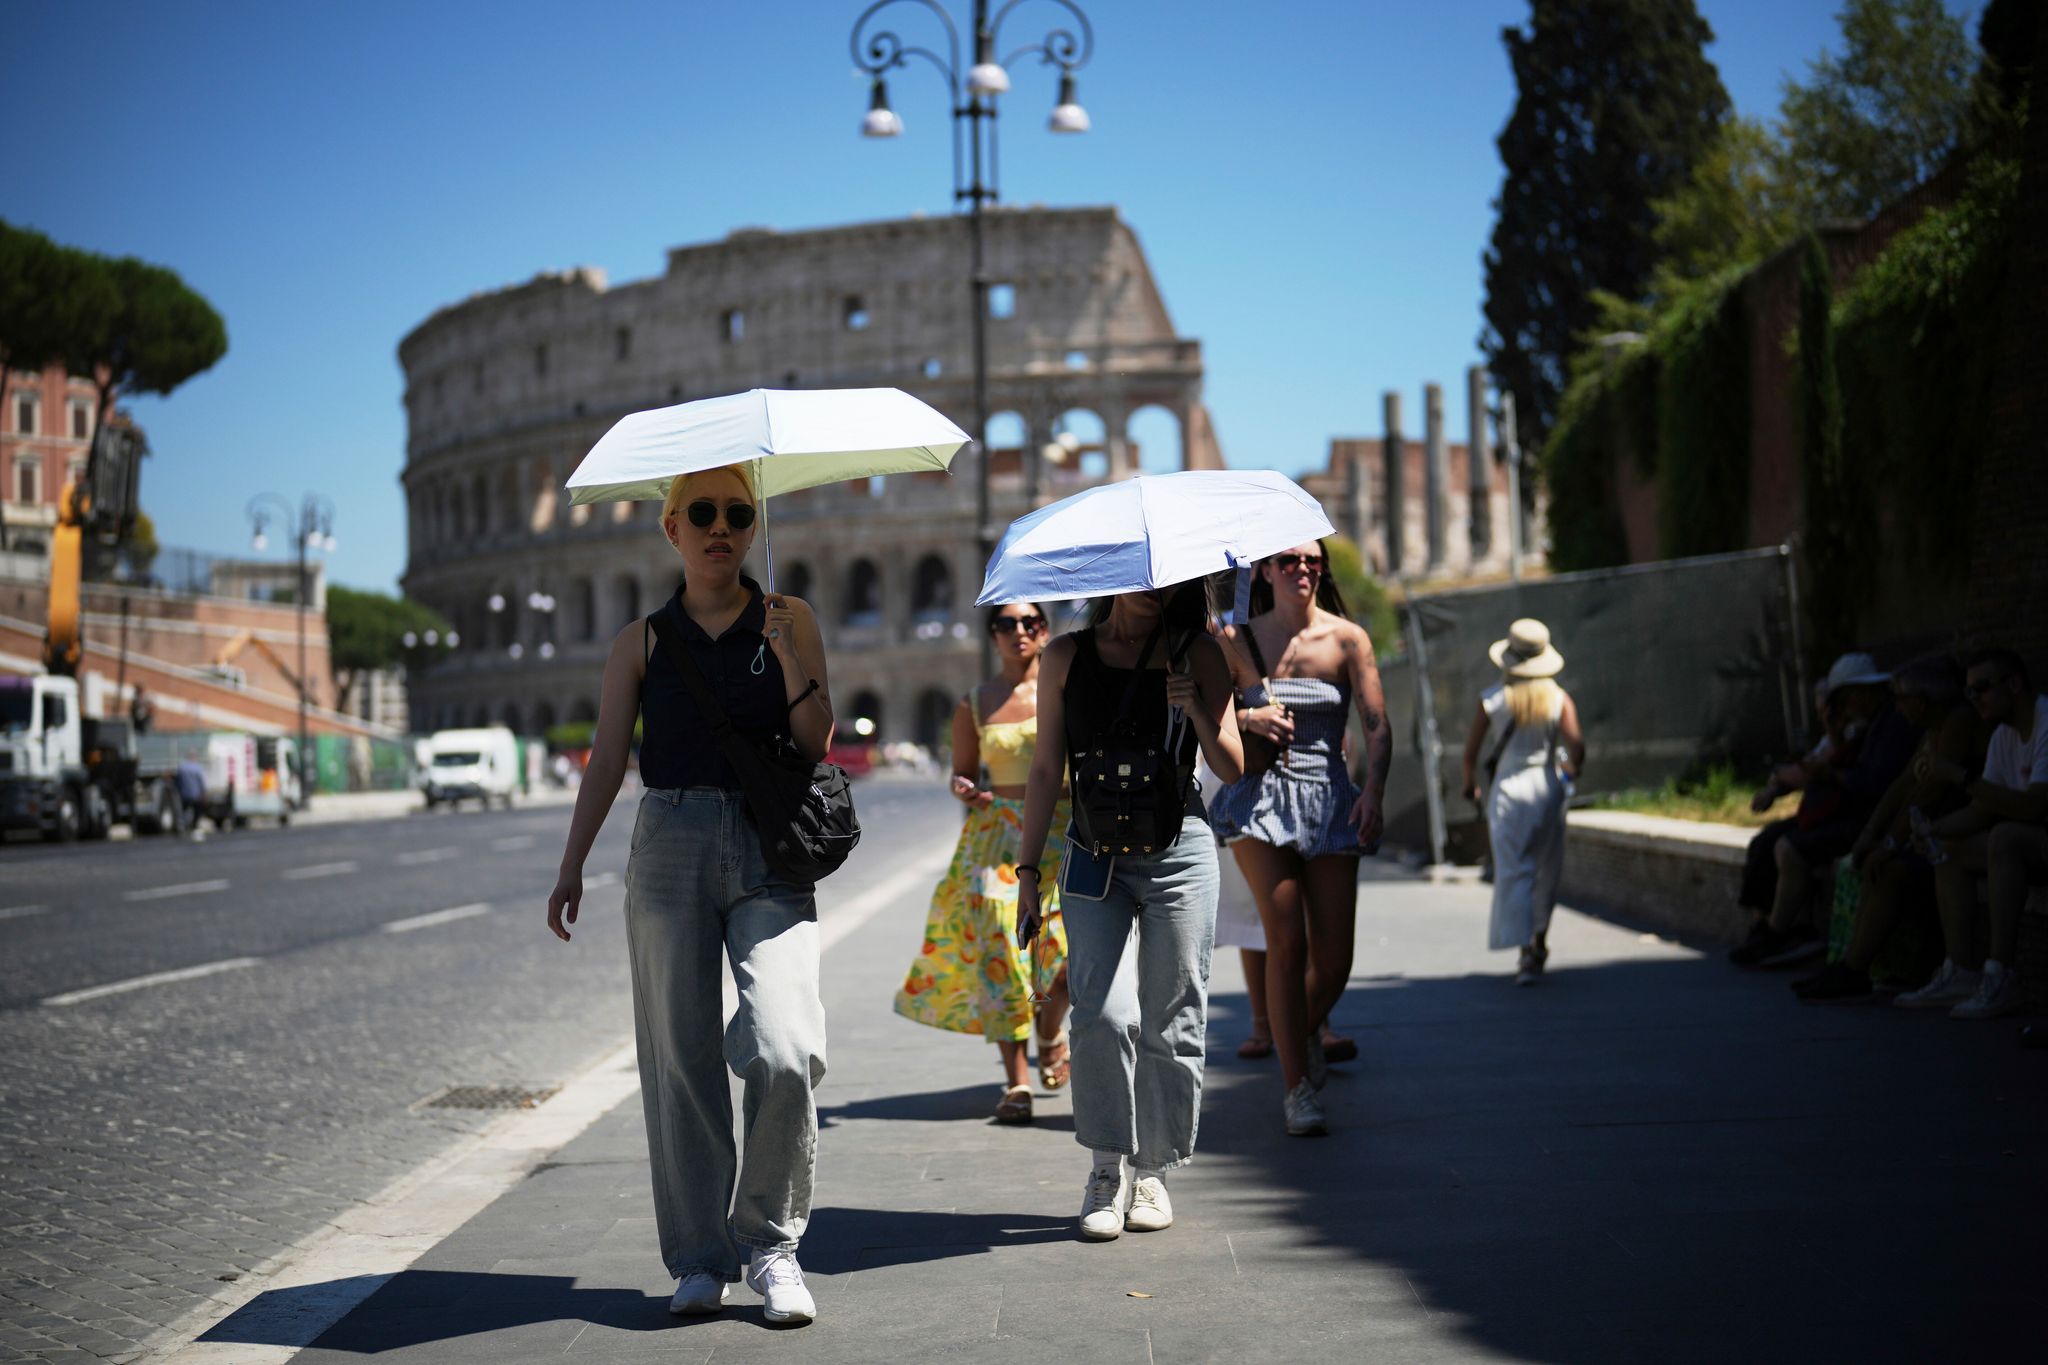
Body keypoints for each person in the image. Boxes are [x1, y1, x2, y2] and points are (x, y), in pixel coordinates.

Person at [545, 465, 833, 1324]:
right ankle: (701, 1257)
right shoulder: (641, 641)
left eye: (738, 513)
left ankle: (772, 1244)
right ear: (671, 528)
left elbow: (817, 739)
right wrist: (572, 865)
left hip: (767, 844)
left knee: (787, 1047)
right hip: (667, 843)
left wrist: (786, 655)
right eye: (701, 513)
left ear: (753, 528)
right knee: (680, 1058)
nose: (721, 527)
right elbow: (606, 759)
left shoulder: (793, 618)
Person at [1014, 580, 1243, 1241]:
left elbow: (1231, 761)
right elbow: (1044, 767)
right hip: (1093, 852)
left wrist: (1194, 703)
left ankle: (1153, 1171)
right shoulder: (1065, 655)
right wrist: (1028, 869)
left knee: (1174, 1013)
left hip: (1180, 845)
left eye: (1167, 578)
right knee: (1103, 1012)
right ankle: (1105, 1165)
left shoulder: (1197, 651)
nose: (1155, 588)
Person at [1208, 543, 1390, 1137]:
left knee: (1335, 959)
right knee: (1285, 941)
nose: (1302, 569)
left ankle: (1301, 1030)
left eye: (1312, 560)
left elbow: (1376, 722)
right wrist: (1246, 714)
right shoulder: (1238, 639)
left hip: (1332, 800)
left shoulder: (1347, 639)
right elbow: (1203, 713)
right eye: (1287, 560)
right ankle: (1297, 1089)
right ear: (1263, 570)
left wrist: (1374, 792)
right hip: (1261, 800)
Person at [894, 601, 1072, 1124]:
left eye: (1031, 622)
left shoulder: (1064, 692)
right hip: (995, 840)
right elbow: (963, 774)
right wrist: (964, 790)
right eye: (1006, 624)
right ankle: (1016, 1082)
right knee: (1003, 954)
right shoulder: (975, 703)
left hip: (1063, 833)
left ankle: (1048, 1028)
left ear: (1046, 630)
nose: (1019, 631)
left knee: (1069, 959)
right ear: (992, 635)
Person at [1794, 655, 1986, 1001]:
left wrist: (1891, 843)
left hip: (1957, 832)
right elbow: (1902, 784)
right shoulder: (1933, 728)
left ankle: (1856, 969)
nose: (1896, 706)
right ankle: (1850, 965)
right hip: (1932, 833)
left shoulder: (1957, 722)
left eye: (1901, 698)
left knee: (1891, 869)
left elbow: (1929, 792)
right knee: (1871, 863)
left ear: (1923, 700)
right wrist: (1871, 836)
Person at [1728, 654, 1914, 967]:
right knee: (1766, 842)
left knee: (1790, 846)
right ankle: (1771, 929)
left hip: (1864, 818)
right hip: (1843, 812)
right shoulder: (1861, 726)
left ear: (1858, 694)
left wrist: (1830, 775)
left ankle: (1781, 933)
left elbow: (1876, 783)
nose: (1838, 710)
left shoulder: (1889, 726)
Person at [1893, 649, 2048, 1019]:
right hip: (2034, 846)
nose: (1974, 698)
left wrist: (1960, 776)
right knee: (1948, 848)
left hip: (2035, 839)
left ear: (2014, 684)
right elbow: (1982, 810)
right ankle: (1960, 971)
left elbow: (2036, 808)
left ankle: (2000, 975)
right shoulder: (2002, 737)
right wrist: (1933, 829)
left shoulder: (2045, 722)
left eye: (1981, 687)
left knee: (2004, 837)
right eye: (1968, 692)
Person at [1459, 619, 1585, 985]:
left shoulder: (1494, 699)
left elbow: (1471, 753)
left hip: (1508, 788)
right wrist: (1572, 770)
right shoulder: (1559, 699)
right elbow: (1577, 745)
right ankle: (1540, 940)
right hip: (1546, 786)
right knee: (1547, 866)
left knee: (1514, 870)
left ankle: (1524, 952)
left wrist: (1470, 784)